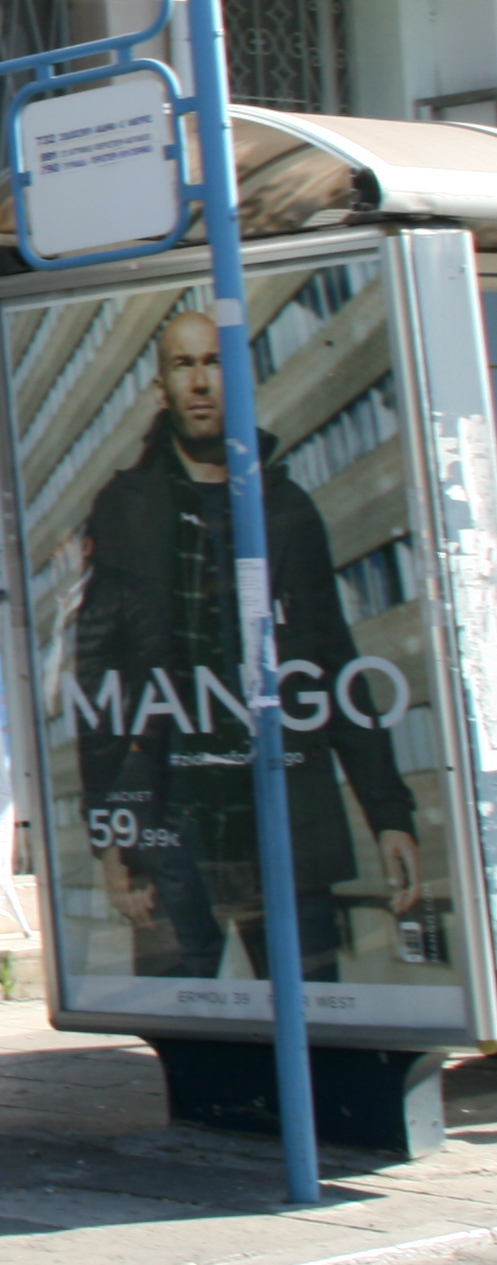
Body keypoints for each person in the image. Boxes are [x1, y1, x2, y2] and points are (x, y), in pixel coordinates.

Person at [74, 306, 421, 979]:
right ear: (162, 389)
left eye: (214, 363)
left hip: (282, 819)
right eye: (184, 364)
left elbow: (336, 668)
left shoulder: (287, 510)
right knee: (191, 1035)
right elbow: (98, 679)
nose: (201, 381)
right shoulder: (126, 508)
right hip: (173, 826)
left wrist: (389, 815)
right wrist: (109, 833)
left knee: (314, 1019)